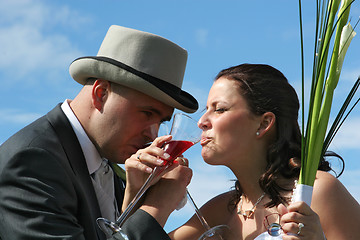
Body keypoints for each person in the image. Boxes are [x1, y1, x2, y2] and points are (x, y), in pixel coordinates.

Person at [0, 25, 197, 240]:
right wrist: (156, 206)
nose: (153, 134)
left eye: (161, 121)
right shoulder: (33, 161)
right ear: (101, 93)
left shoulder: (107, 166)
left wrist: (136, 199)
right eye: (147, 113)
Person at [169, 64, 360, 240]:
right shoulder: (219, 210)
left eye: (219, 109)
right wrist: (147, 188)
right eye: (206, 109)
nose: (201, 121)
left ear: (264, 123)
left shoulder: (316, 190)